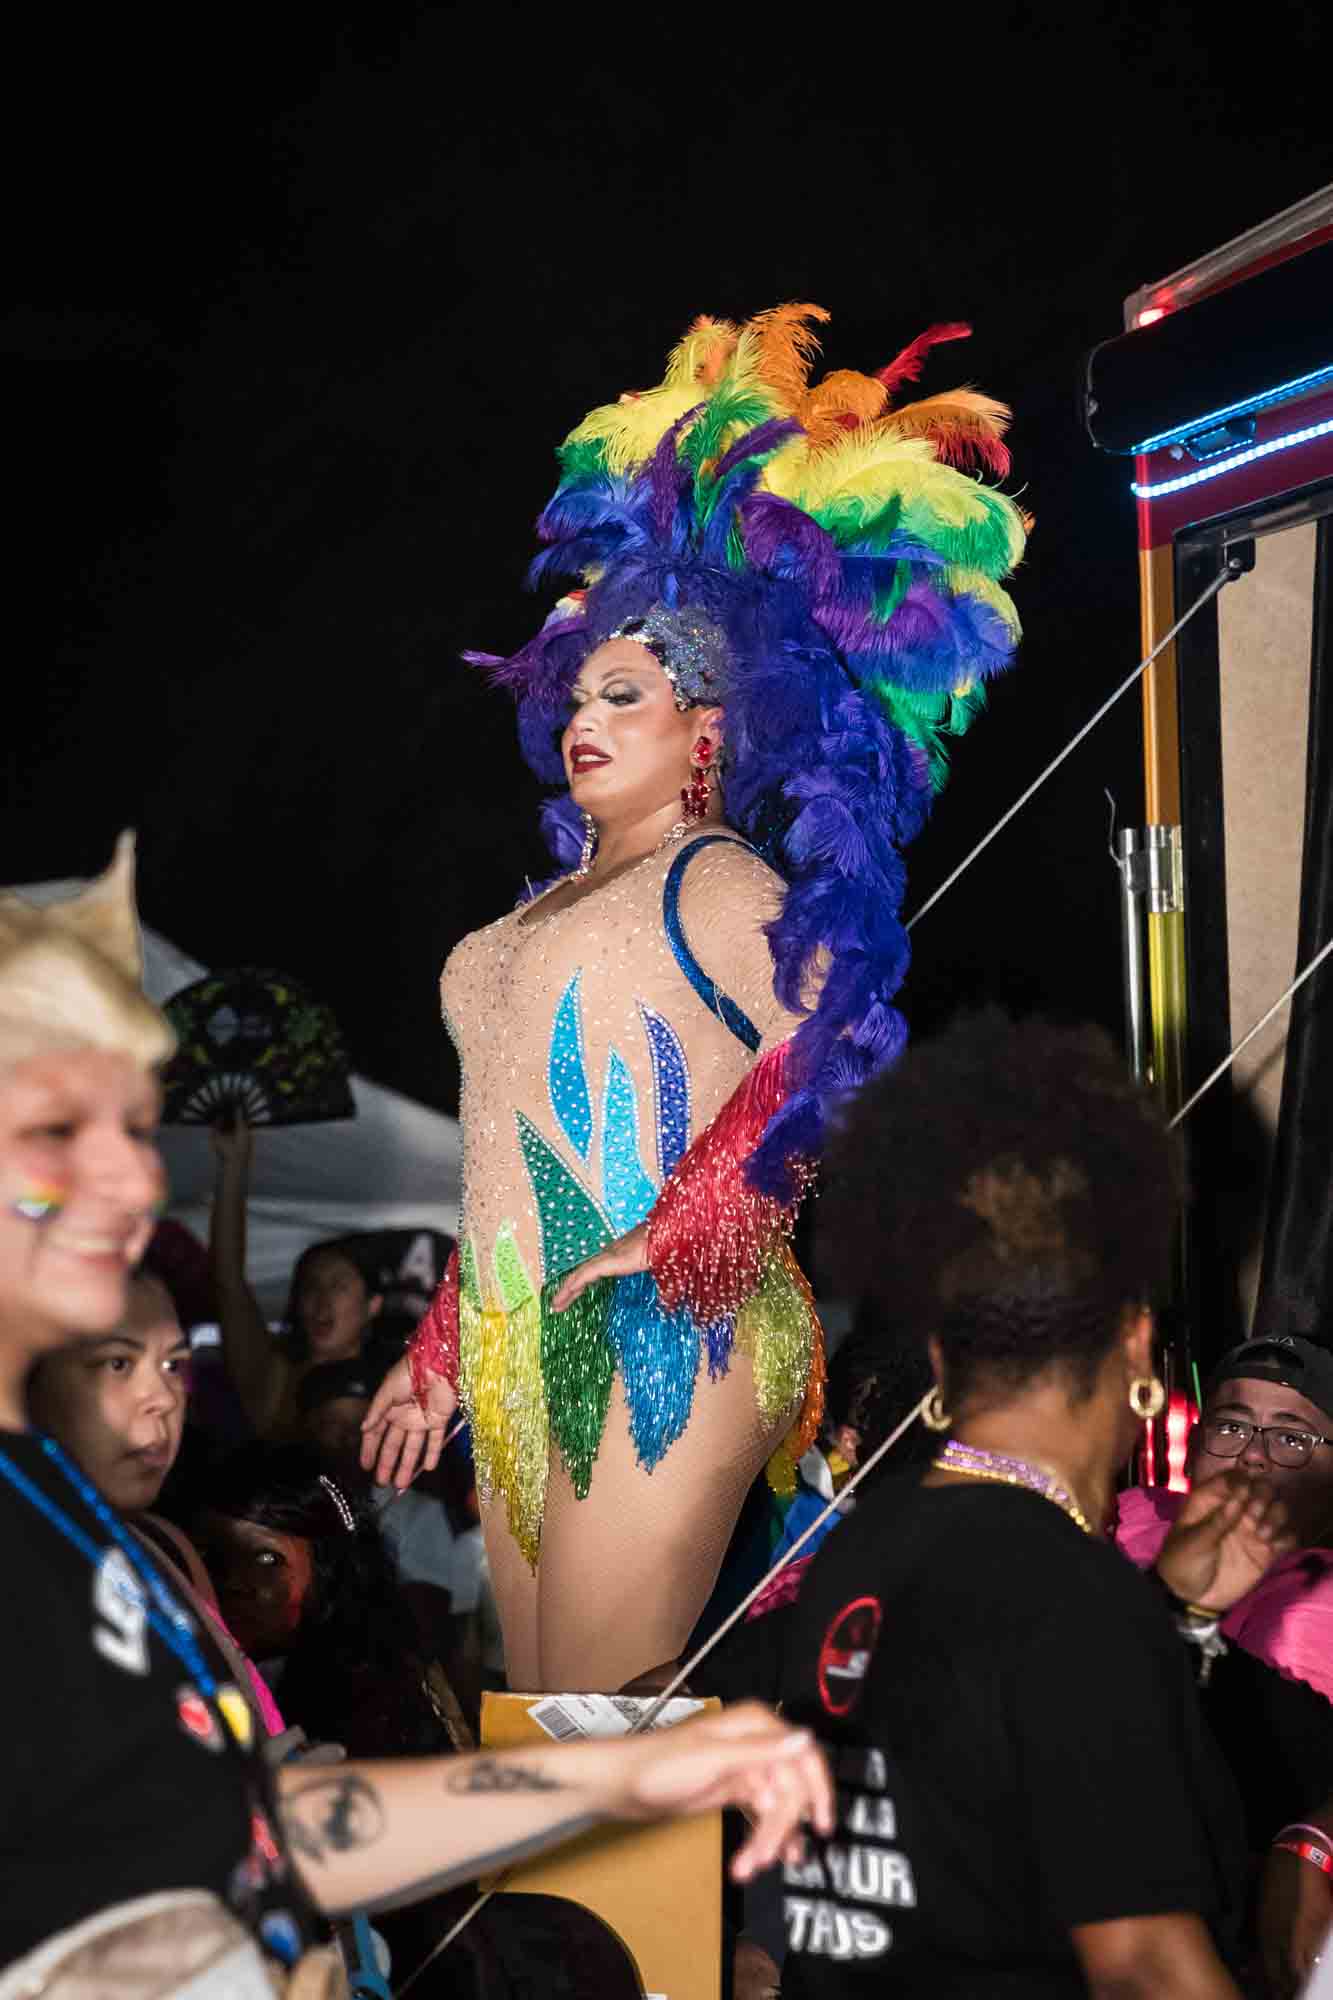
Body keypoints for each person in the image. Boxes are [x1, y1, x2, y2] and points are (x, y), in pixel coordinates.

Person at [0, 839, 834, 1982]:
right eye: (57, 1135)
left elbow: (259, 1827)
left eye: (140, 1130)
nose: (140, 1181)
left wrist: (611, 1774)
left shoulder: (53, 1501)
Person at [363, 303, 1030, 1692]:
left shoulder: (713, 878)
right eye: (574, 697)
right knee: (538, 1735)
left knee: (602, 1732)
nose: (579, 719)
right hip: (515, 1338)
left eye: (623, 693)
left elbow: (835, 1037)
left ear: (705, 733)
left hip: (672, 1327)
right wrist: (437, 1345)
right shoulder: (539, 910)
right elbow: (501, 1134)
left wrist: (696, 1230)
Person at [773, 1010, 1296, 1999]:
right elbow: (1146, 1966)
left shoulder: (858, 1553)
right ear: (1136, 1347)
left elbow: (968, 1825)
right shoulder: (1068, 1598)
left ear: (941, 1354)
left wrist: (1172, 1616)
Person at [27, 1266, 285, 1739]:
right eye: (118, 1363)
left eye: (173, 1366)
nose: (162, 1397)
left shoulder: (166, 1550)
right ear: (28, 1381)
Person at [211, 1113, 383, 1439]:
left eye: (338, 1285)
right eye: (311, 1286)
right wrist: (233, 1166)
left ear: (372, 1304)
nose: (321, 1298)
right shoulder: (277, 1380)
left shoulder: (398, 1383)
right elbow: (228, 1283)